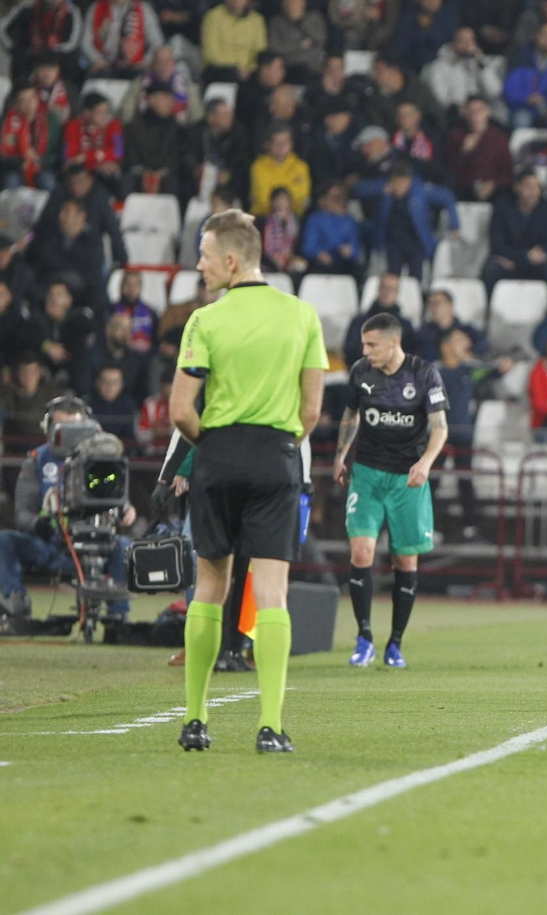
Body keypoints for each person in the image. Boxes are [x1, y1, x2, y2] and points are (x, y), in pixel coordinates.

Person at [171, 210, 327, 754]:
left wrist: (211, 447)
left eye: (205, 255)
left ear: (231, 261)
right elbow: (311, 411)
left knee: (209, 586)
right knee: (271, 591)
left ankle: (194, 721)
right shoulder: (303, 315)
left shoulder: (204, 321)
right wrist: (277, 444)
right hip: (276, 458)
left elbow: (179, 411)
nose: (199, 264)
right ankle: (270, 726)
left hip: (216, 455)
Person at [334, 313, 447, 670]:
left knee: (404, 560)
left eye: (372, 345)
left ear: (393, 343)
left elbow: (439, 427)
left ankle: (395, 643)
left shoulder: (423, 373)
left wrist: (426, 462)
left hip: (407, 478)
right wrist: (340, 456)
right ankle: (364, 637)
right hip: (367, 474)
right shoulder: (360, 373)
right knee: (362, 551)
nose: (365, 351)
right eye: (364, 344)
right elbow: (350, 416)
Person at [0, 397, 132, 627]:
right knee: (4, 541)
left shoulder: (101, 460)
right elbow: (23, 515)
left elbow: (123, 505)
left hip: (97, 543)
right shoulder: (36, 461)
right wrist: (41, 523)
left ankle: (118, 616)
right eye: (64, 428)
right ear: (49, 428)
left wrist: (125, 511)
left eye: (77, 427)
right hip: (52, 545)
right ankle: (16, 603)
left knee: (123, 546)